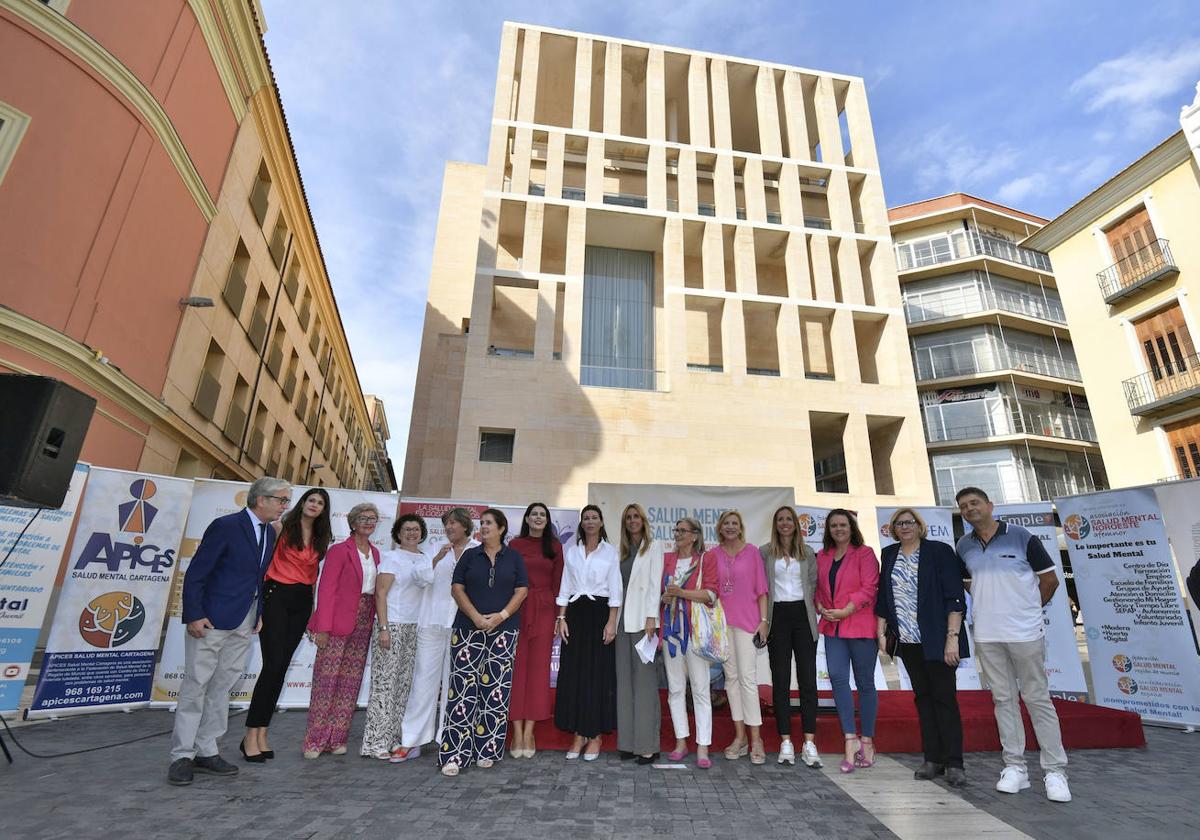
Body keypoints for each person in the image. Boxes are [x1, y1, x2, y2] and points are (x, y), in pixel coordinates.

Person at [167, 477, 289, 785]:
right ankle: (182, 755)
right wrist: (194, 614)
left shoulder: (270, 534)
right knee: (196, 686)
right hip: (211, 620)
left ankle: (207, 749)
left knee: (222, 688)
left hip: (244, 622)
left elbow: (258, 578)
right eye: (281, 500)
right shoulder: (226, 526)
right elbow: (197, 572)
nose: (284, 506)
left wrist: (258, 612)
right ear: (261, 499)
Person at [955, 487, 1071, 803]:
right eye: (964, 506)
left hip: (1025, 633)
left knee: (1037, 699)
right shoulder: (964, 545)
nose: (969, 509)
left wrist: (1030, 610)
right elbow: (970, 584)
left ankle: (1055, 771)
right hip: (988, 635)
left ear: (990, 505)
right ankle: (1015, 768)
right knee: (1003, 700)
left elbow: (1049, 580)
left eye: (974, 503)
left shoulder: (1022, 536)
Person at [876, 508, 968, 787]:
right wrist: (881, 633)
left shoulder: (938, 551)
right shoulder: (889, 554)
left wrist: (952, 638)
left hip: (938, 640)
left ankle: (954, 762)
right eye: (899, 523)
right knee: (923, 700)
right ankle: (933, 759)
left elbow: (955, 597)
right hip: (907, 641)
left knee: (945, 700)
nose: (904, 527)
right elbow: (884, 596)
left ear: (919, 525)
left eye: (909, 522)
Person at [243, 487, 332, 761]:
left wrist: (314, 613)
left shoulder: (321, 537)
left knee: (280, 669)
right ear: (302, 502)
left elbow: (313, 575)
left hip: (302, 601)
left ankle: (263, 733)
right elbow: (261, 565)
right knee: (271, 666)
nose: (314, 505)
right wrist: (257, 606)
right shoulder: (280, 527)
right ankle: (250, 735)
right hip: (276, 596)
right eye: (311, 500)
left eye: (320, 503)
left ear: (323, 509)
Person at [438, 508, 528, 776]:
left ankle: (487, 749)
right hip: (468, 629)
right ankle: (454, 754)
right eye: (482, 523)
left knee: (495, 692)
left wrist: (500, 617)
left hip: (504, 630)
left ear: (501, 528)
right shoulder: (470, 555)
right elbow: (457, 588)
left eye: (488, 523)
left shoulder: (513, 558)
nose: (483, 527)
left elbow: (522, 591)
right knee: (462, 690)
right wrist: (476, 617)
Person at [390, 508, 478, 763]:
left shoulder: (477, 550)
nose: (448, 527)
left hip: (463, 626)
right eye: (446, 523)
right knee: (423, 683)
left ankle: (448, 739)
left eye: (453, 523)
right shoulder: (434, 548)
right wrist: (436, 560)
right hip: (431, 623)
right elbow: (419, 578)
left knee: (456, 684)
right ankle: (412, 740)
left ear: (465, 526)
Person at [302, 503, 381, 758]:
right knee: (326, 681)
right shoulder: (338, 551)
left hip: (364, 621)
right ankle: (314, 741)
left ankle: (336, 739)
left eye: (373, 519)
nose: (369, 522)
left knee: (350, 683)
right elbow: (326, 590)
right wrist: (323, 627)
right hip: (337, 622)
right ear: (353, 522)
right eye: (364, 518)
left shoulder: (378, 554)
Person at [814, 509, 880, 774]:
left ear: (852, 527)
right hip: (833, 627)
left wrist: (846, 610)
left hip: (860, 625)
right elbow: (817, 588)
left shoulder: (864, 553)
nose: (838, 529)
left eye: (843, 524)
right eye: (833, 526)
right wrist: (820, 605)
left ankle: (868, 742)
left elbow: (869, 587)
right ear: (828, 530)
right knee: (838, 680)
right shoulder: (822, 556)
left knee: (865, 683)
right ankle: (850, 741)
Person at [554, 504, 622, 761]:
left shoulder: (610, 552)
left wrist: (611, 622)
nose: (590, 521)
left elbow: (616, 589)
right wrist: (561, 617)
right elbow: (565, 586)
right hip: (575, 614)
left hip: (600, 614)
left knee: (597, 674)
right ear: (581, 523)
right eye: (586, 518)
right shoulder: (572, 552)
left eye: (595, 517)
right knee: (574, 673)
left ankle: (595, 735)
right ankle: (578, 734)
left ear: (601, 522)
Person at [360, 513, 426, 759]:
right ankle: (375, 743)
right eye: (407, 529)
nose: (411, 533)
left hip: (414, 628)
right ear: (398, 533)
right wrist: (384, 628)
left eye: (416, 529)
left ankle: (395, 738)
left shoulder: (424, 558)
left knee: (403, 687)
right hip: (393, 626)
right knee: (385, 686)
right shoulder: (391, 557)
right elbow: (380, 594)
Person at [760, 505, 822, 768]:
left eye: (789, 519)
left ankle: (809, 742)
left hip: (802, 617)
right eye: (780, 520)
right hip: (778, 619)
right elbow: (760, 588)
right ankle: (785, 740)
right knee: (781, 680)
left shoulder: (808, 553)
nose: (785, 523)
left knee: (808, 680)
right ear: (775, 524)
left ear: (796, 524)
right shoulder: (764, 553)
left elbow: (813, 586)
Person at [707, 510, 769, 765]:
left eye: (735, 523)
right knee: (731, 680)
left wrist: (763, 623)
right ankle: (740, 737)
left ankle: (757, 740)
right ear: (720, 528)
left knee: (747, 680)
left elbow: (762, 590)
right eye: (726, 524)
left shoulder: (752, 552)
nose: (730, 527)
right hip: (722, 626)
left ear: (740, 527)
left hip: (747, 625)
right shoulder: (712, 555)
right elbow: (710, 590)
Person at [507, 502, 564, 759]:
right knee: (517, 671)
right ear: (527, 518)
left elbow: (559, 583)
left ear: (547, 520)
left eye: (543, 514)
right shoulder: (515, 545)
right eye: (534, 514)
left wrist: (558, 617)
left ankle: (530, 731)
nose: (538, 518)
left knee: (538, 673)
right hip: (517, 609)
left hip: (544, 611)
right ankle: (516, 731)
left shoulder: (555, 547)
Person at [660, 516, 716, 769]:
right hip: (671, 634)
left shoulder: (706, 559)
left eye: (683, 530)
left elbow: (711, 594)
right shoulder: (666, 560)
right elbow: (659, 595)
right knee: (675, 689)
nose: (678, 534)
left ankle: (703, 746)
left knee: (701, 689)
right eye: (676, 530)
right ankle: (681, 742)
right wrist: (665, 597)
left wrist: (681, 593)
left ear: (695, 535)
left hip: (696, 633)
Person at [615, 503, 665, 764]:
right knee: (624, 683)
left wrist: (652, 618)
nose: (633, 521)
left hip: (643, 622)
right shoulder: (620, 552)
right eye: (628, 518)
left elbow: (656, 583)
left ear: (643, 520)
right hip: (622, 623)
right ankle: (627, 743)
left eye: (636, 517)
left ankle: (648, 746)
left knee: (645, 685)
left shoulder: (654, 547)